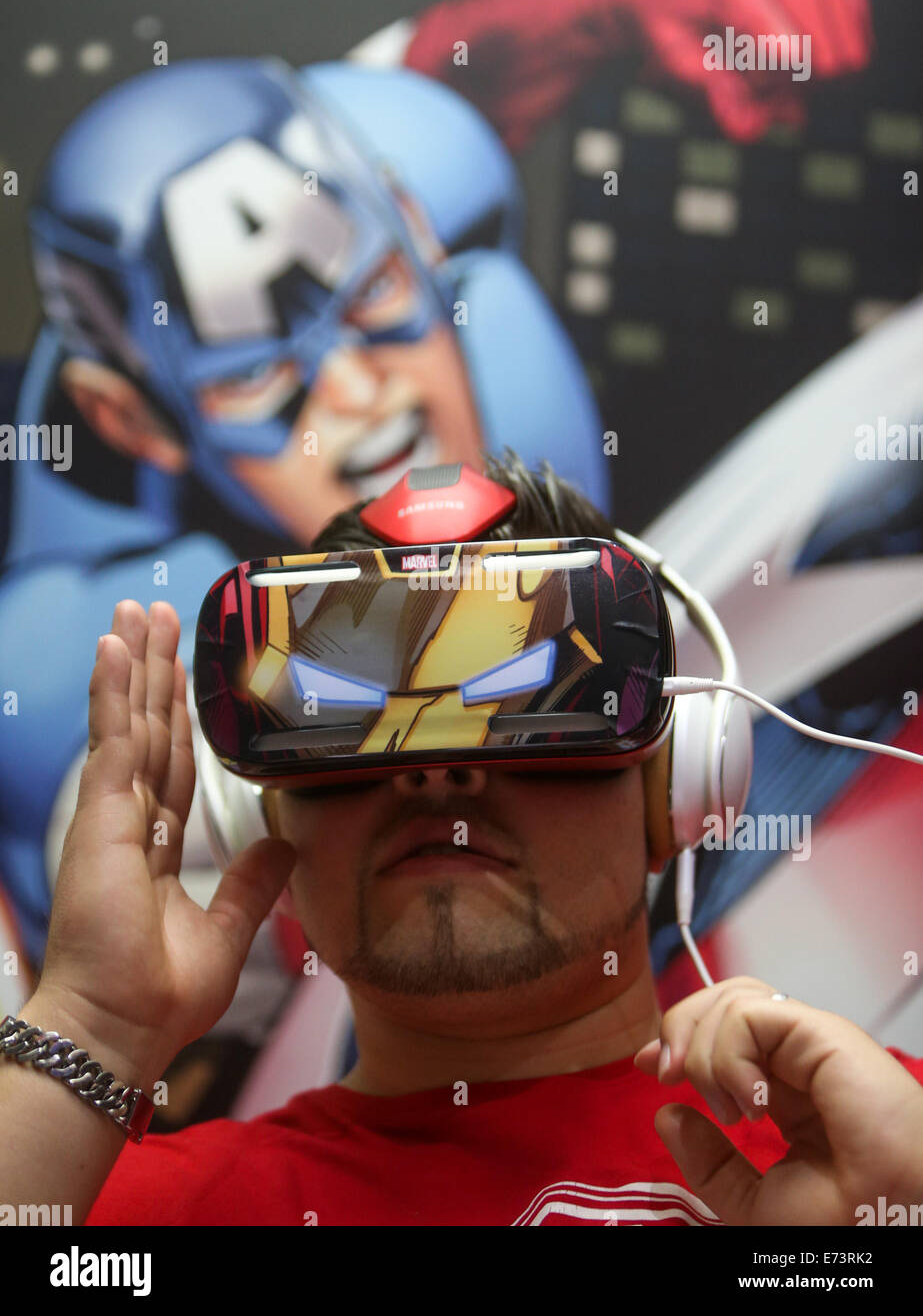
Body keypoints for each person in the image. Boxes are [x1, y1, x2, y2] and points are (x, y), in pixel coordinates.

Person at [2, 451, 921, 1227]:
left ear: (672, 786)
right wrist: (95, 1026)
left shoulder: (875, 1132)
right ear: (265, 816)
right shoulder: (101, 1210)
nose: (435, 770)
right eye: (354, 719)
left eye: (523, 704)